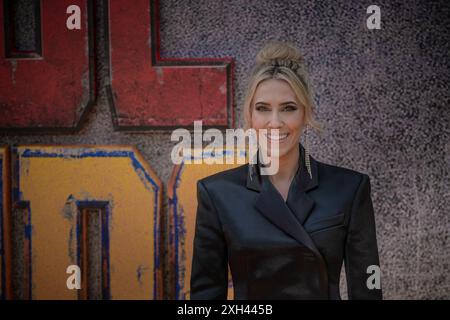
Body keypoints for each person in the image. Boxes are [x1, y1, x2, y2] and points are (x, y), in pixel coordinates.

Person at [190, 41, 382, 300]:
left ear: (306, 113)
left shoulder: (350, 188)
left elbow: (368, 290)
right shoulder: (217, 193)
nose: (275, 122)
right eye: (263, 109)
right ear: (250, 116)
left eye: (288, 108)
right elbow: (205, 297)